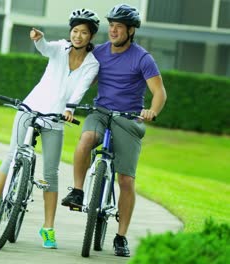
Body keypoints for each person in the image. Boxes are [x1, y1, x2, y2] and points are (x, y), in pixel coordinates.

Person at [0, 9, 100, 249]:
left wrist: (70, 109)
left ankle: (48, 228)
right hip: (30, 108)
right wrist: (39, 39)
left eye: (83, 32)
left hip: (56, 118)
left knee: (51, 174)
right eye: (75, 31)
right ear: (70, 32)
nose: (78, 36)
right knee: (13, 154)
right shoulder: (59, 48)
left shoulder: (92, 63)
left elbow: (81, 88)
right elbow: (45, 48)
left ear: (91, 36)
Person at [61, 4, 167, 257]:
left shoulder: (142, 58)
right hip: (101, 113)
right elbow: (83, 76)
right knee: (87, 138)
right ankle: (77, 191)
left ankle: (121, 237)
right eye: (112, 26)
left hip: (129, 119)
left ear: (131, 31)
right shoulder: (98, 53)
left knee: (126, 180)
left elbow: (159, 92)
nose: (114, 30)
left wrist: (152, 111)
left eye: (119, 26)